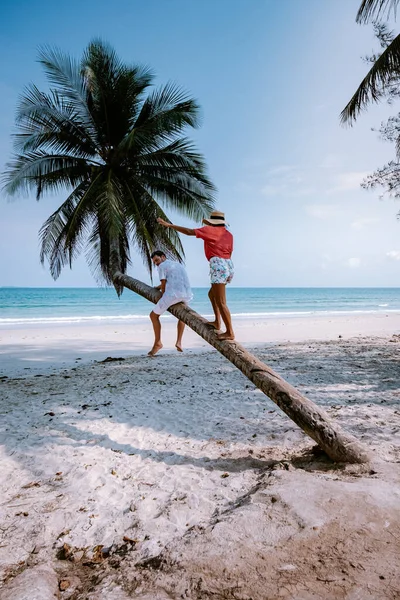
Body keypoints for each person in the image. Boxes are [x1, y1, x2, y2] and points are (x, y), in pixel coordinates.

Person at [157, 211, 235, 341]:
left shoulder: (210, 230)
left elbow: (189, 231)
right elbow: (230, 252)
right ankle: (217, 322)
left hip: (218, 264)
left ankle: (230, 332)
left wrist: (169, 225)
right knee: (212, 295)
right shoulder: (229, 234)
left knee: (221, 302)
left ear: (211, 222)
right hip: (229, 265)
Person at [148, 250, 193, 356]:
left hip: (173, 295)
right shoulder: (178, 265)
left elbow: (163, 282)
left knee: (153, 316)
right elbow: (173, 280)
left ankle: (158, 343)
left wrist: (163, 295)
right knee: (182, 316)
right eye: (155, 262)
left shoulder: (162, 266)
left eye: (157, 260)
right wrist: (157, 288)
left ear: (163, 257)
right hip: (186, 294)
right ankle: (179, 342)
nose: (157, 263)